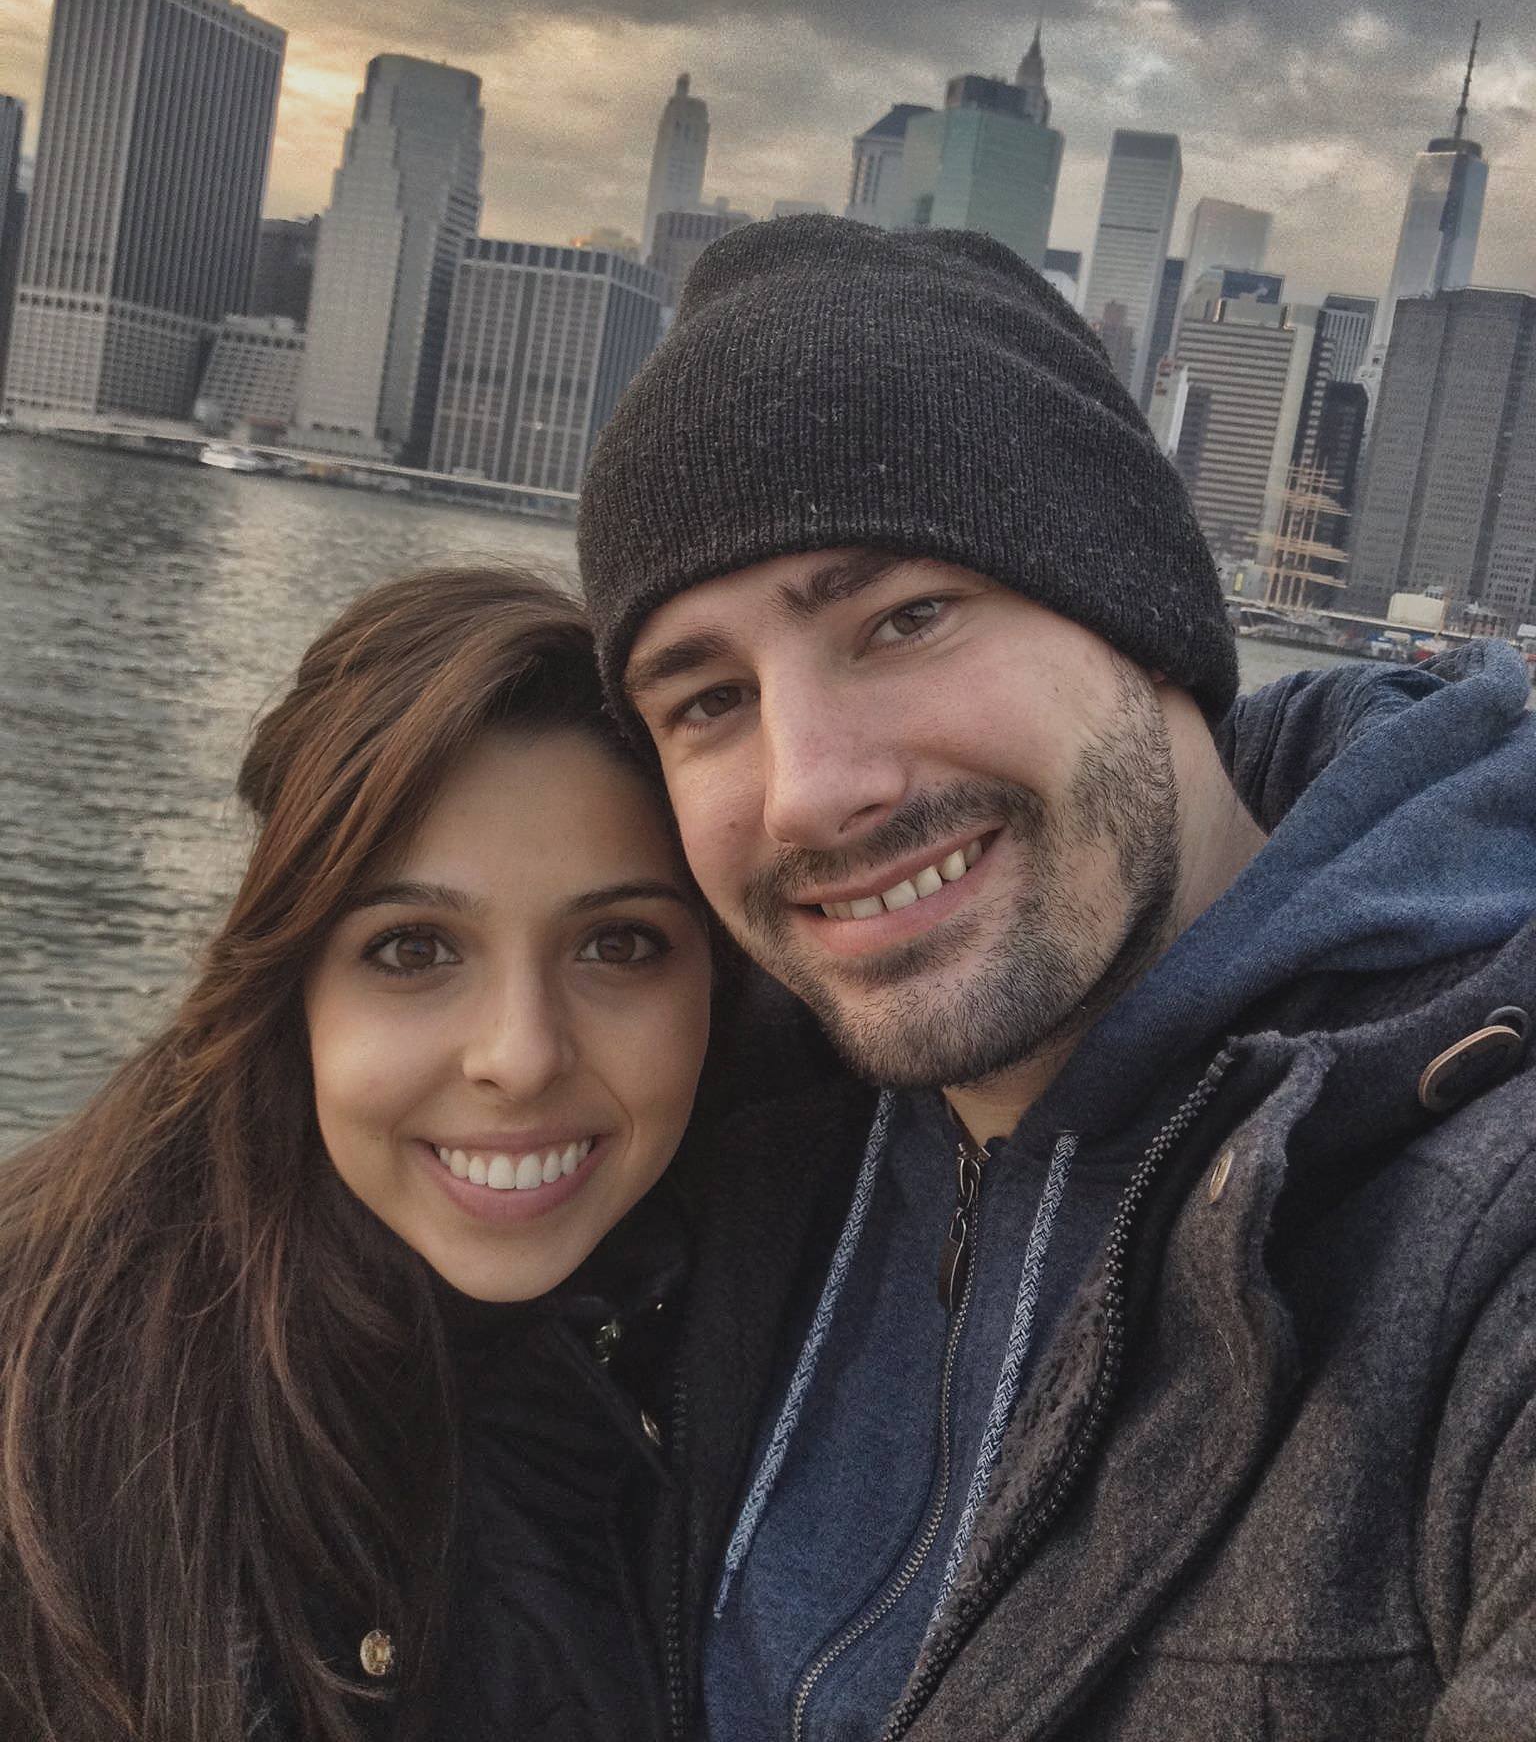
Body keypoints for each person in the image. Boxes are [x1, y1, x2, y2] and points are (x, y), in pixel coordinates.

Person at [578, 214, 1536, 1742]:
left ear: (1135, 612)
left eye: (904, 619)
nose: (808, 790)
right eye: (706, 699)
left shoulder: (1486, 1226)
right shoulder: (703, 1126)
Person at [0, 565, 711, 1742]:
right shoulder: (44, 1408)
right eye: (414, 948)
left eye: (620, 943)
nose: (521, 1055)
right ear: (292, 990)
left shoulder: (768, 1313)